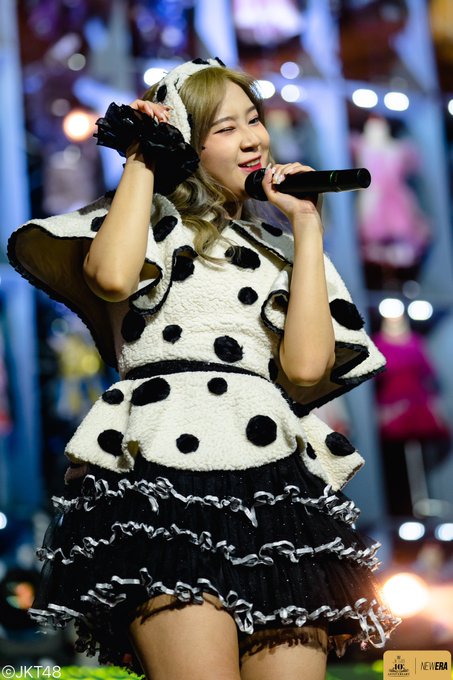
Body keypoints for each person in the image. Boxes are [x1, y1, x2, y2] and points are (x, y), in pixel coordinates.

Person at [8, 57, 399, 680]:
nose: (251, 138)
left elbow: (305, 369)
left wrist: (305, 224)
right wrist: (144, 155)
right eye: (224, 127)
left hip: (272, 485)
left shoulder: (280, 248)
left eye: (254, 119)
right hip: (164, 475)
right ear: (186, 141)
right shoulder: (142, 225)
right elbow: (111, 277)